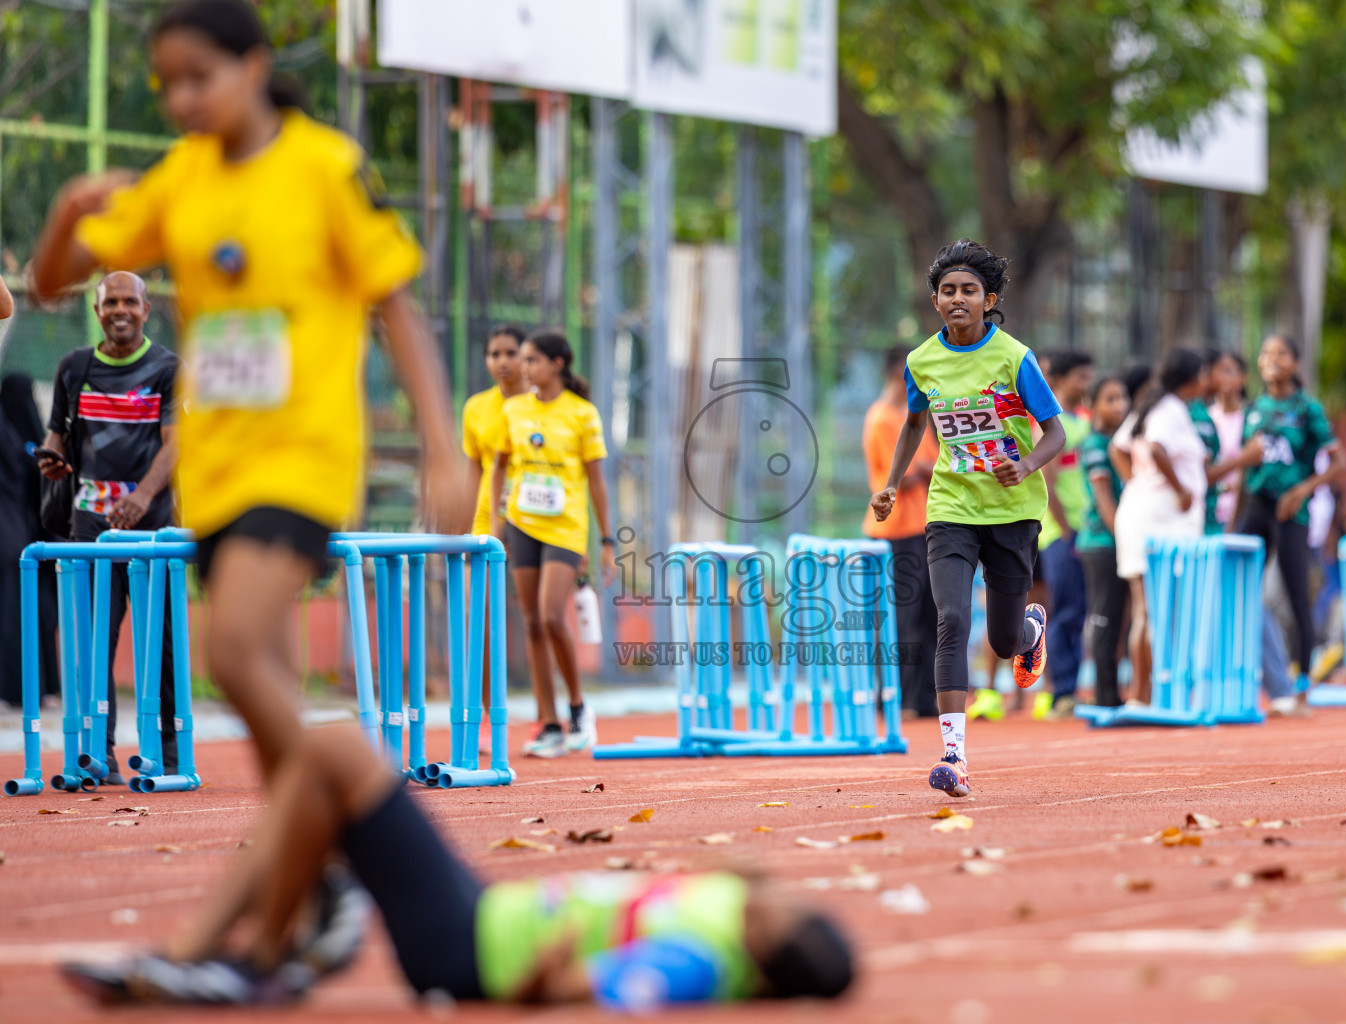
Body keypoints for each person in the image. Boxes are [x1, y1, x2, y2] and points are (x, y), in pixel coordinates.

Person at [29, 0, 476, 783]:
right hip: (218, 468)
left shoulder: (324, 167)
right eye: (167, 84)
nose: (181, 101)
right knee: (261, 685)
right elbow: (48, 283)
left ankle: (375, 817)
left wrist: (443, 449)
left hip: (305, 456)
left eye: (199, 78)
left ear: (255, 68)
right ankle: (318, 871)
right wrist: (70, 206)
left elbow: (397, 311)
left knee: (230, 650)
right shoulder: (182, 180)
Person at [61, 724, 854, 1008]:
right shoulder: (729, 920)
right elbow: (748, 887)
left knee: (336, 749)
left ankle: (244, 954)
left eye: (785, 915)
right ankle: (282, 938)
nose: (777, 900)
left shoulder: (698, 963)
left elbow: (592, 993)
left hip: (465, 947)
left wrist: (552, 981)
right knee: (324, 765)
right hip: (481, 912)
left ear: (767, 950)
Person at [869, 239, 1065, 799]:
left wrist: (1023, 465)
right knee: (950, 619)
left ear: (989, 299)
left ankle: (1030, 629)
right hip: (951, 507)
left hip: (1012, 510)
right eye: (948, 291)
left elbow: (1056, 432)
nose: (958, 299)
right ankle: (954, 757)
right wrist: (889, 484)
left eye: (970, 291)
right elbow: (913, 424)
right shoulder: (922, 361)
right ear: (935, 300)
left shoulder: (1014, 358)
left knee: (1003, 642)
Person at [34, 272, 180, 781]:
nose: (120, 310)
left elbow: (175, 442)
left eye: (130, 302)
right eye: (110, 302)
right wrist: (51, 458)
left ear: (146, 309)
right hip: (89, 529)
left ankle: (170, 751)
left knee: (159, 645)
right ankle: (101, 755)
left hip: (153, 533)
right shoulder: (74, 367)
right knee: (94, 648)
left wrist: (142, 496)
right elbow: (57, 433)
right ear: (97, 311)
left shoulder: (166, 368)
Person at [488, 332, 617, 758]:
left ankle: (579, 708)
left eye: (533, 360)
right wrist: (496, 520)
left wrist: (605, 540)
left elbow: (596, 481)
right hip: (522, 524)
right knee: (530, 621)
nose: (524, 368)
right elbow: (499, 466)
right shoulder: (514, 409)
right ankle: (548, 723)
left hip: (565, 527)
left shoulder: (582, 414)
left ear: (558, 363)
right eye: (522, 360)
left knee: (549, 615)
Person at [1232, 334, 1346, 696]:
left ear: (1295, 363)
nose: (1271, 358)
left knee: (1298, 591)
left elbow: (1339, 462)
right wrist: (1233, 519)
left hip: (1291, 509)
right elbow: (1244, 468)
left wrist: (1302, 490)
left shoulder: (1306, 408)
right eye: (1265, 352)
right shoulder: (1254, 407)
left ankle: (1302, 677)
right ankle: (1244, 672)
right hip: (1256, 505)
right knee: (1238, 586)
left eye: (1281, 353)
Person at [1112, 349, 1208, 705]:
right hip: (1159, 520)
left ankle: (1147, 693)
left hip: (1148, 514)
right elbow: (1155, 448)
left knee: (1148, 611)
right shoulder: (1168, 408)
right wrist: (1179, 489)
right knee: (1153, 612)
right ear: (1191, 377)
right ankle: (1144, 694)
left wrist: (1136, 483)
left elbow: (1118, 448)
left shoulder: (1155, 405)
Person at [863, 345, 941, 719]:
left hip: (923, 526)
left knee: (929, 615)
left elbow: (933, 461)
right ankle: (898, 697)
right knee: (901, 617)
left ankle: (923, 696)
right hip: (893, 530)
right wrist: (921, 471)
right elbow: (891, 478)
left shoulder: (915, 416)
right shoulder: (881, 418)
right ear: (900, 374)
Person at [1036, 350, 1095, 720]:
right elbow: (1049, 478)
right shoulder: (1053, 424)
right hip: (1062, 533)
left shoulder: (1084, 422)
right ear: (1057, 380)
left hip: (1085, 530)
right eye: (1080, 378)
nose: (1086, 384)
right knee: (1066, 611)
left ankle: (1071, 689)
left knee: (1081, 611)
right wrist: (1066, 527)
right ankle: (1061, 693)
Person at [0, 374, 62, 708]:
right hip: (26, 540)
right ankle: (32, 689)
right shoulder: (20, 436)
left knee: (31, 613)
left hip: (28, 540)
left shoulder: (21, 437)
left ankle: (35, 688)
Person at [1077, 375, 1129, 708]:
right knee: (1104, 617)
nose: (1120, 405)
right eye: (1110, 399)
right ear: (1092, 406)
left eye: (1123, 397)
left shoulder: (1119, 442)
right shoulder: (1095, 445)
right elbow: (1103, 498)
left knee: (1118, 618)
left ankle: (1112, 692)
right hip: (1102, 542)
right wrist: (1125, 536)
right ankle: (1104, 694)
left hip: (1116, 541)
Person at [462, 324, 527, 537]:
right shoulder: (475, 407)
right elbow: (474, 470)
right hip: (489, 512)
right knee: (477, 570)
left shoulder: (542, 405)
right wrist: (463, 525)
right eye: (494, 354)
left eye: (511, 354)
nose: (502, 361)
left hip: (533, 512)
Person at [1206, 349, 1248, 527]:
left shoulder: (1251, 418)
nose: (1225, 377)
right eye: (1220, 371)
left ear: (1243, 378)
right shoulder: (1206, 417)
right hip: (1209, 509)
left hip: (1241, 511)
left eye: (1230, 371)